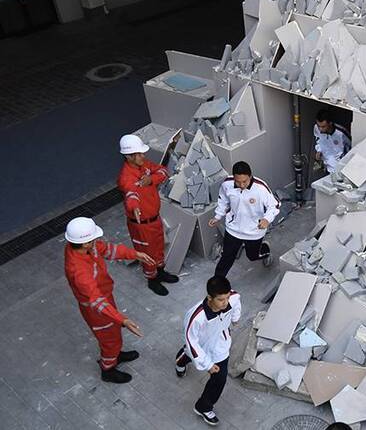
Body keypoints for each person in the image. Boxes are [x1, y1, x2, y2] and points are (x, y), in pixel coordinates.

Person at [64, 217, 155, 383]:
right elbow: (97, 301)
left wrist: (135, 254)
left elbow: (108, 249)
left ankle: (116, 355)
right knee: (110, 340)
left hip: (104, 298)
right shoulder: (79, 271)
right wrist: (123, 320)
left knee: (113, 334)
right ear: (85, 243)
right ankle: (108, 369)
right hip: (96, 310)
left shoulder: (83, 248)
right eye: (94, 238)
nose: (97, 240)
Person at [117, 134, 179, 296]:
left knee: (158, 248)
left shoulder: (144, 166)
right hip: (141, 225)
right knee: (147, 253)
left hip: (154, 219)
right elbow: (131, 194)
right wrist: (134, 207)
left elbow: (163, 171)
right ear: (129, 156)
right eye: (139, 154)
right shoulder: (126, 177)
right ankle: (152, 280)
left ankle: (160, 272)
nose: (143, 156)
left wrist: (150, 179)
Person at [175, 276, 241, 426]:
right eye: (221, 300)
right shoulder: (196, 317)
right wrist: (207, 364)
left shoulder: (233, 298)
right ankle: (180, 360)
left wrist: (236, 318)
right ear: (209, 297)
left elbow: (236, 302)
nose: (225, 303)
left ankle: (203, 407)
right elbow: (191, 341)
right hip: (201, 347)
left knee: (220, 379)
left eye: (227, 298)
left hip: (221, 347)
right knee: (189, 352)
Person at [208, 161, 280, 278]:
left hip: (254, 231)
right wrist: (218, 216)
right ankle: (217, 285)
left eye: (244, 181)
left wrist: (267, 219)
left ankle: (265, 250)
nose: (241, 185)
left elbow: (275, 205)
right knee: (226, 258)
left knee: (252, 256)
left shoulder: (260, 188)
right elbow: (223, 200)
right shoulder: (227, 184)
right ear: (234, 177)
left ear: (250, 176)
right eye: (238, 181)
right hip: (233, 228)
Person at [314, 109, 351, 173]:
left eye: (323, 126)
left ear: (330, 123)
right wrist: (319, 150)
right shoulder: (316, 128)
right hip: (326, 164)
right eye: (319, 126)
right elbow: (318, 139)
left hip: (338, 168)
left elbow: (350, 147)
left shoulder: (341, 133)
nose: (320, 129)